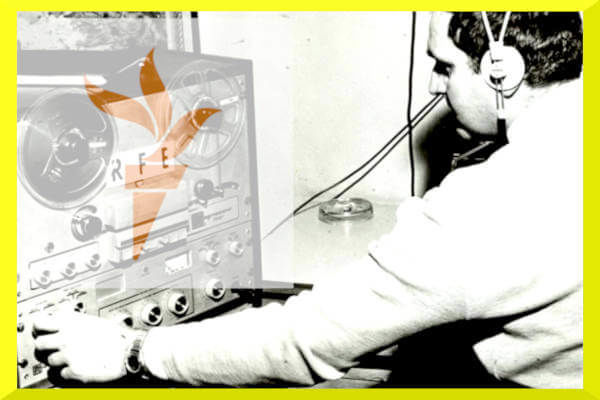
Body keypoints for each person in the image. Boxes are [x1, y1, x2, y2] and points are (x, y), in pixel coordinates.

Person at [31, 11, 583, 388]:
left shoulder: (492, 205)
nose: (437, 87)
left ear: (503, 69)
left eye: (445, 67)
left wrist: (132, 351)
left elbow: (304, 342)